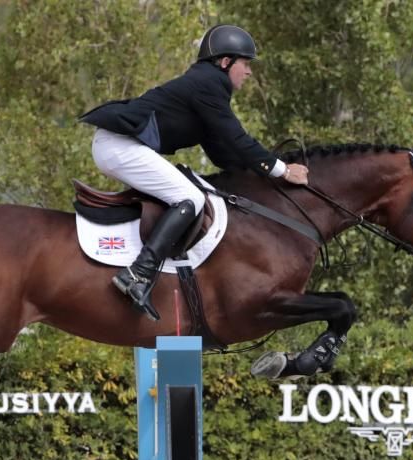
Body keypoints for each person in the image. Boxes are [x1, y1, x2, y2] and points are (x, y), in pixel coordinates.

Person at [80, 24, 309, 321]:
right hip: (118, 145)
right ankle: (138, 274)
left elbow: (223, 153)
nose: (249, 72)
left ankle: (141, 270)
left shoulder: (207, 87)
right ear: (226, 62)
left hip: (119, 145)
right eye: (246, 63)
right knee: (190, 197)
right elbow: (238, 138)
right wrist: (280, 170)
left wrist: (261, 180)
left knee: (190, 194)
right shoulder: (208, 84)